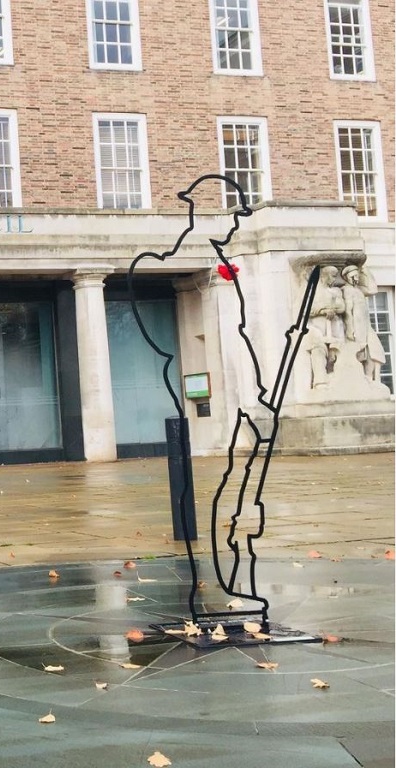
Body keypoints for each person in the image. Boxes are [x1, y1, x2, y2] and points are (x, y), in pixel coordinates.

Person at [128, 175, 320, 626]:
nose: (240, 222)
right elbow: (144, 278)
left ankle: (238, 573)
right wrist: (166, 359)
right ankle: (217, 571)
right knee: (226, 490)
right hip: (245, 396)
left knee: (246, 487)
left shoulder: (225, 260)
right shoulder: (177, 254)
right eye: (236, 213)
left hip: (255, 394)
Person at [341, 264, 386, 382]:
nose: (356, 279)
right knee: (360, 353)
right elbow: (347, 311)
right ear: (346, 277)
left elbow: (373, 289)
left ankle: (370, 379)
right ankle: (363, 380)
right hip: (357, 325)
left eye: (357, 276)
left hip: (366, 325)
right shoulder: (347, 290)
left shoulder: (359, 289)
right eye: (353, 276)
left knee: (375, 350)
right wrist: (350, 328)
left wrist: (365, 271)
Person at [304, 266, 346, 388]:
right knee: (319, 349)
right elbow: (306, 310)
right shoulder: (313, 290)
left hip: (335, 327)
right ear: (324, 275)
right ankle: (320, 381)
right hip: (317, 326)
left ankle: (337, 382)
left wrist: (332, 309)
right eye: (332, 276)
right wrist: (322, 310)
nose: (334, 279)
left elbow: (342, 307)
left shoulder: (336, 291)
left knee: (334, 355)